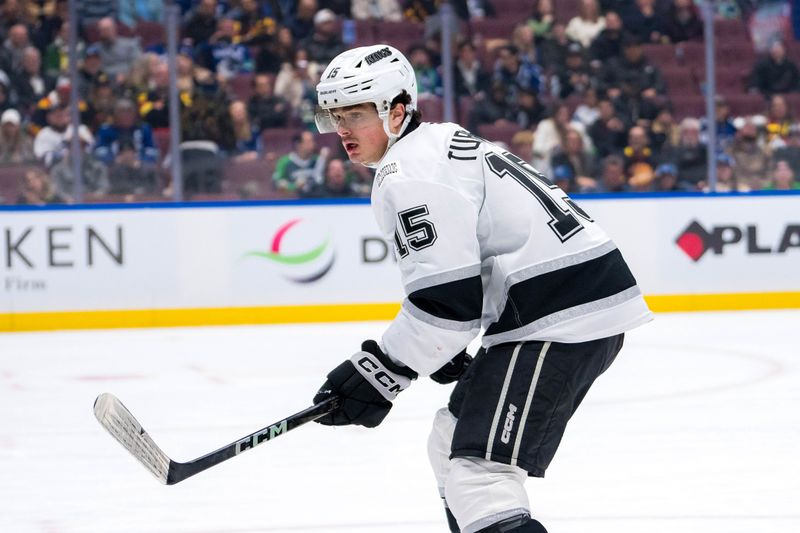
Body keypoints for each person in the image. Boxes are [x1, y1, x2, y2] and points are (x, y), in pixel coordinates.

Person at [310, 44, 653, 533]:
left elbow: (447, 306)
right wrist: (433, 351)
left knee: (480, 475)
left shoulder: (408, 170)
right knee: (450, 442)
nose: (342, 128)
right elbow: (472, 275)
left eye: (356, 114)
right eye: (334, 116)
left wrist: (379, 372)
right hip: (562, 304)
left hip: (558, 316)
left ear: (397, 111)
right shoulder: (437, 144)